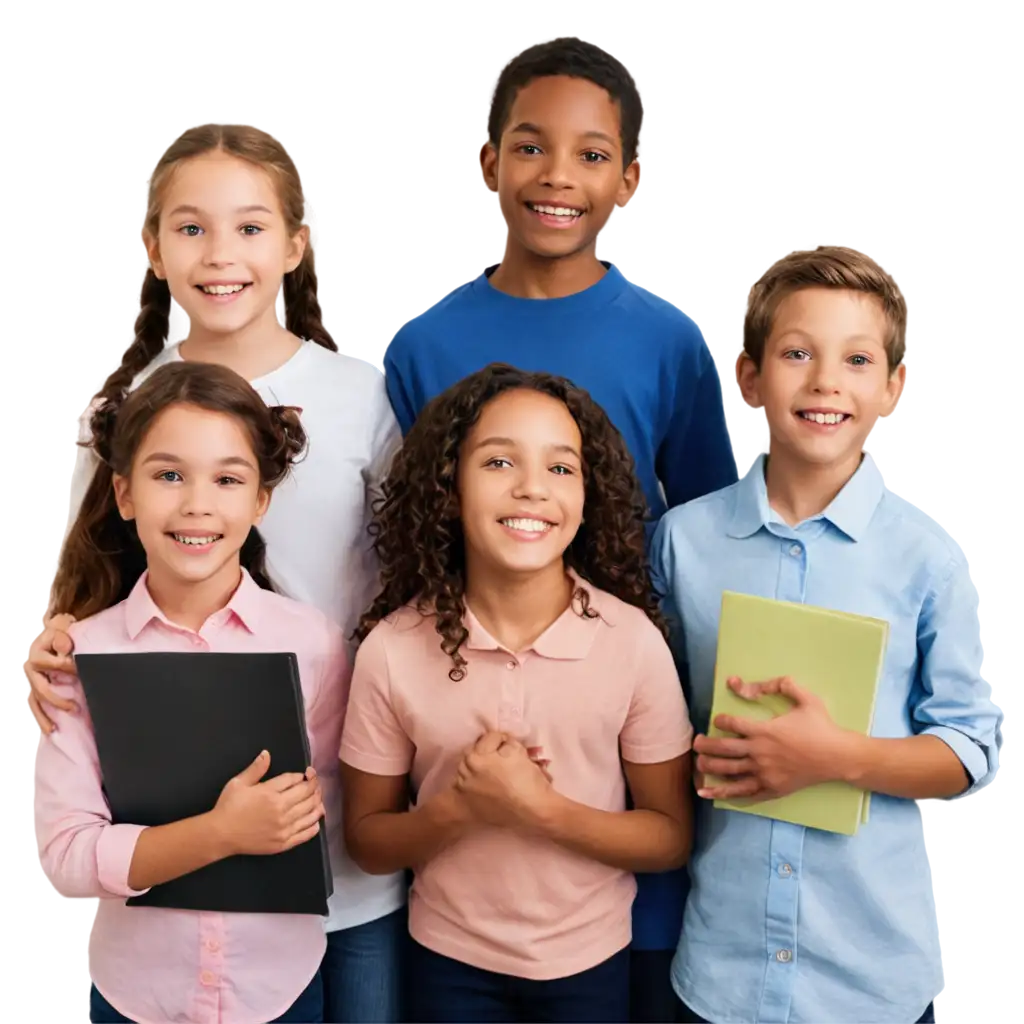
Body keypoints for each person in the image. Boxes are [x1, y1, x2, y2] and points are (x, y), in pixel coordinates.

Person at [379, 38, 736, 1016]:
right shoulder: (421, 346)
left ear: (628, 177)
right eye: (531, 147)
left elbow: (708, 532)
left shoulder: (666, 339)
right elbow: (399, 530)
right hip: (465, 712)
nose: (558, 177)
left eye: (590, 155)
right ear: (487, 160)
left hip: (624, 712)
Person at [22, 122, 404, 1024]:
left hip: (340, 821)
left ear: (295, 247)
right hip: (177, 846)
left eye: (250, 227)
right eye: (190, 228)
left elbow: (411, 581)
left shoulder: (363, 395)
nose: (220, 254)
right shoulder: (115, 413)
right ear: (153, 249)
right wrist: (45, 643)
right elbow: (85, 588)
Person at [650, 246, 1004, 1024]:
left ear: (891, 388)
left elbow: (970, 750)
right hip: (718, 976)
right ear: (749, 377)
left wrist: (835, 757)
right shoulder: (682, 544)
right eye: (797, 353)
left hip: (871, 985)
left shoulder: (925, 560)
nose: (824, 381)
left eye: (856, 359)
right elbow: (649, 718)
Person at [339, 364, 694, 1023]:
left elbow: (669, 836)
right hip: (444, 964)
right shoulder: (392, 649)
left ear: (588, 497)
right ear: (449, 489)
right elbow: (366, 839)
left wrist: (537, 809)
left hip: (591, 966)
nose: (533, 488)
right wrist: (460, 810)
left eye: (561, 469)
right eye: (499, 462)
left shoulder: (632, 643)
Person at [34, 361, 346, 1023]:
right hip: (136, 996)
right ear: (125, 495)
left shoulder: (314, 644)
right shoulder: (77, 657)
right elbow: (66, 859)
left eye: (227, 479)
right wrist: (222, 833)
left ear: (260, 500)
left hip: (277, 991)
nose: (197, 503)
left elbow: (335, 817)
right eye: (168, 475)